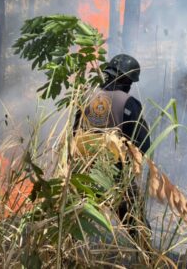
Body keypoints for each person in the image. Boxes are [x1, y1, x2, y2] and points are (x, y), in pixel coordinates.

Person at [75, 54, 150, 236]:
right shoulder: (129, 103)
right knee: (138, 228)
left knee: (77, 226)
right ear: (127, 81)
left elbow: (74, 135)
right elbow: (144, 143)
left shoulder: (87, 99)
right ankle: (145, 259)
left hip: (82, 175)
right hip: (116, 177)